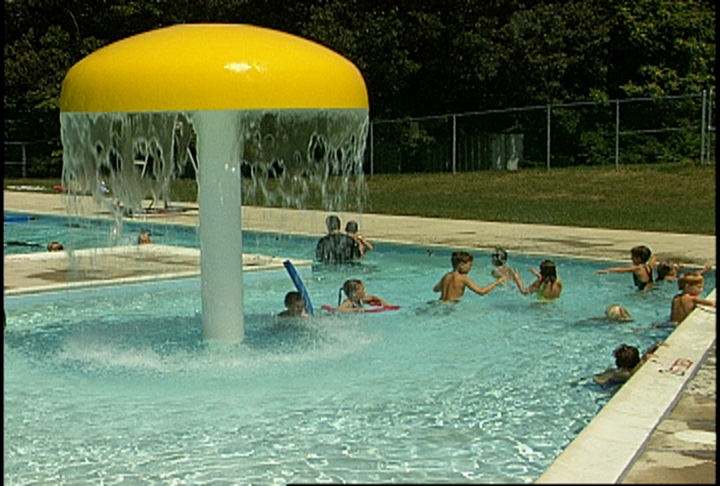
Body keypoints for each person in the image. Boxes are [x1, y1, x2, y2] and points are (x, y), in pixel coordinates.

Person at [433, 251, 507, 302]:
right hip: (451, 306)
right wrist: (498, 281)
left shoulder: (446, 276)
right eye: (469, 265)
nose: (470, 268)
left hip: (439, 303)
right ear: (461, 265)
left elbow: (435, 289)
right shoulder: (463, 279)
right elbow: (481, 292)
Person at [594, 342, 665, 385]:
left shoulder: (621, 371)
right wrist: (643, 360)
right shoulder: (621, 374)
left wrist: (654, 348)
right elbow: (631, 374)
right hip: (603, 382)